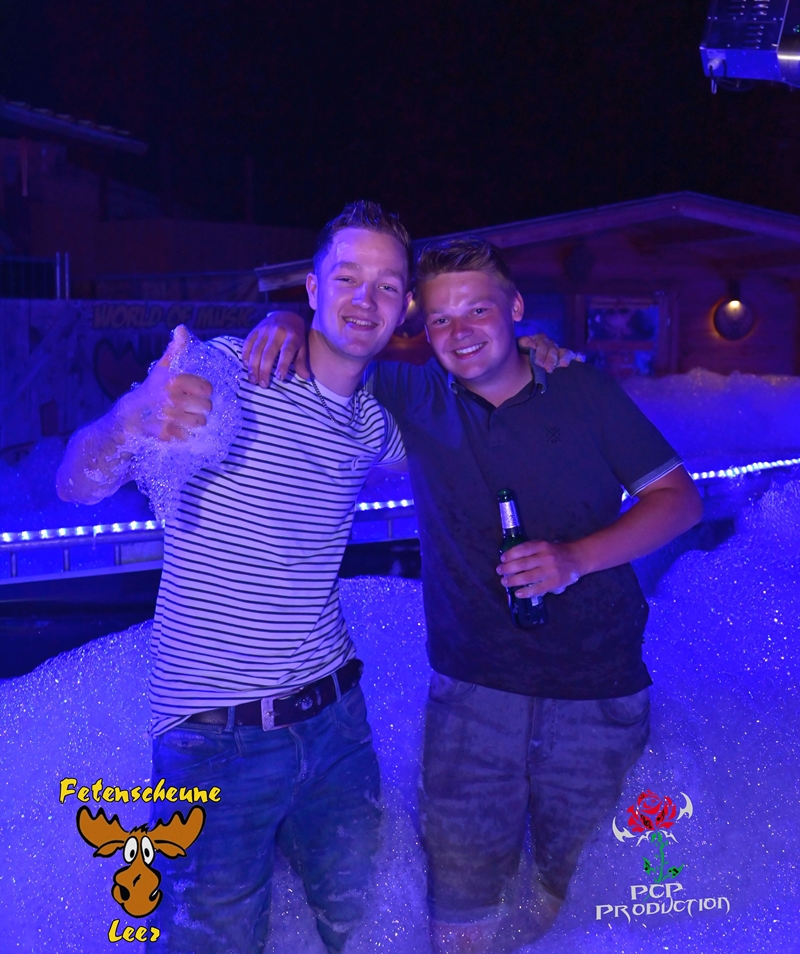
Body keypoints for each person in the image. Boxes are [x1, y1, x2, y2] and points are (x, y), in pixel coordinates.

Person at [245, 236, 703, 954]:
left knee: (582, 894)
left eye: (477, 311)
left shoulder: (583, 390)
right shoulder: (417, 396)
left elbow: (679, 501)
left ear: (516, 309)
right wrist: (287, 322)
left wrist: (574, 559)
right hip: (470, 695)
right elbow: (335, 350)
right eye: (439, 319)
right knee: (459, 902)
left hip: (598, 689)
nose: (459, 332)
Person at [55, 202, 419, 954]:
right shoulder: (226, 372)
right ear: (311, 289)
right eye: (346, 277)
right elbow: (74, 484)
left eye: (387, 285)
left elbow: (472, 416)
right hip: (213, 738)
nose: (365, 299)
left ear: (404, 306)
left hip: (338, 725)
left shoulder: (373, 426)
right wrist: (129, 421)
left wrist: (530, 353)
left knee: (371, 930)